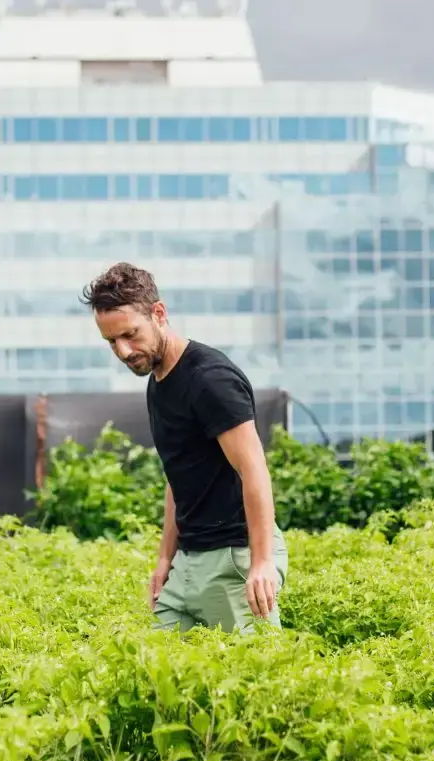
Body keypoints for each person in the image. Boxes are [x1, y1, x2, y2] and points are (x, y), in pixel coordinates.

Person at [82, 261, 288, 632]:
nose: (124, 351)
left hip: (233, 556)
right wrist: (165, 558)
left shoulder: (211, 380)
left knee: (256, 680)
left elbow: (253, 467)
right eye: (111, 341)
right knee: (160, 679)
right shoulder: (158, 380)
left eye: (130, 334)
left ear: (158, 313)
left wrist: (261, 562)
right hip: (189, 562)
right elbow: (179, 474)